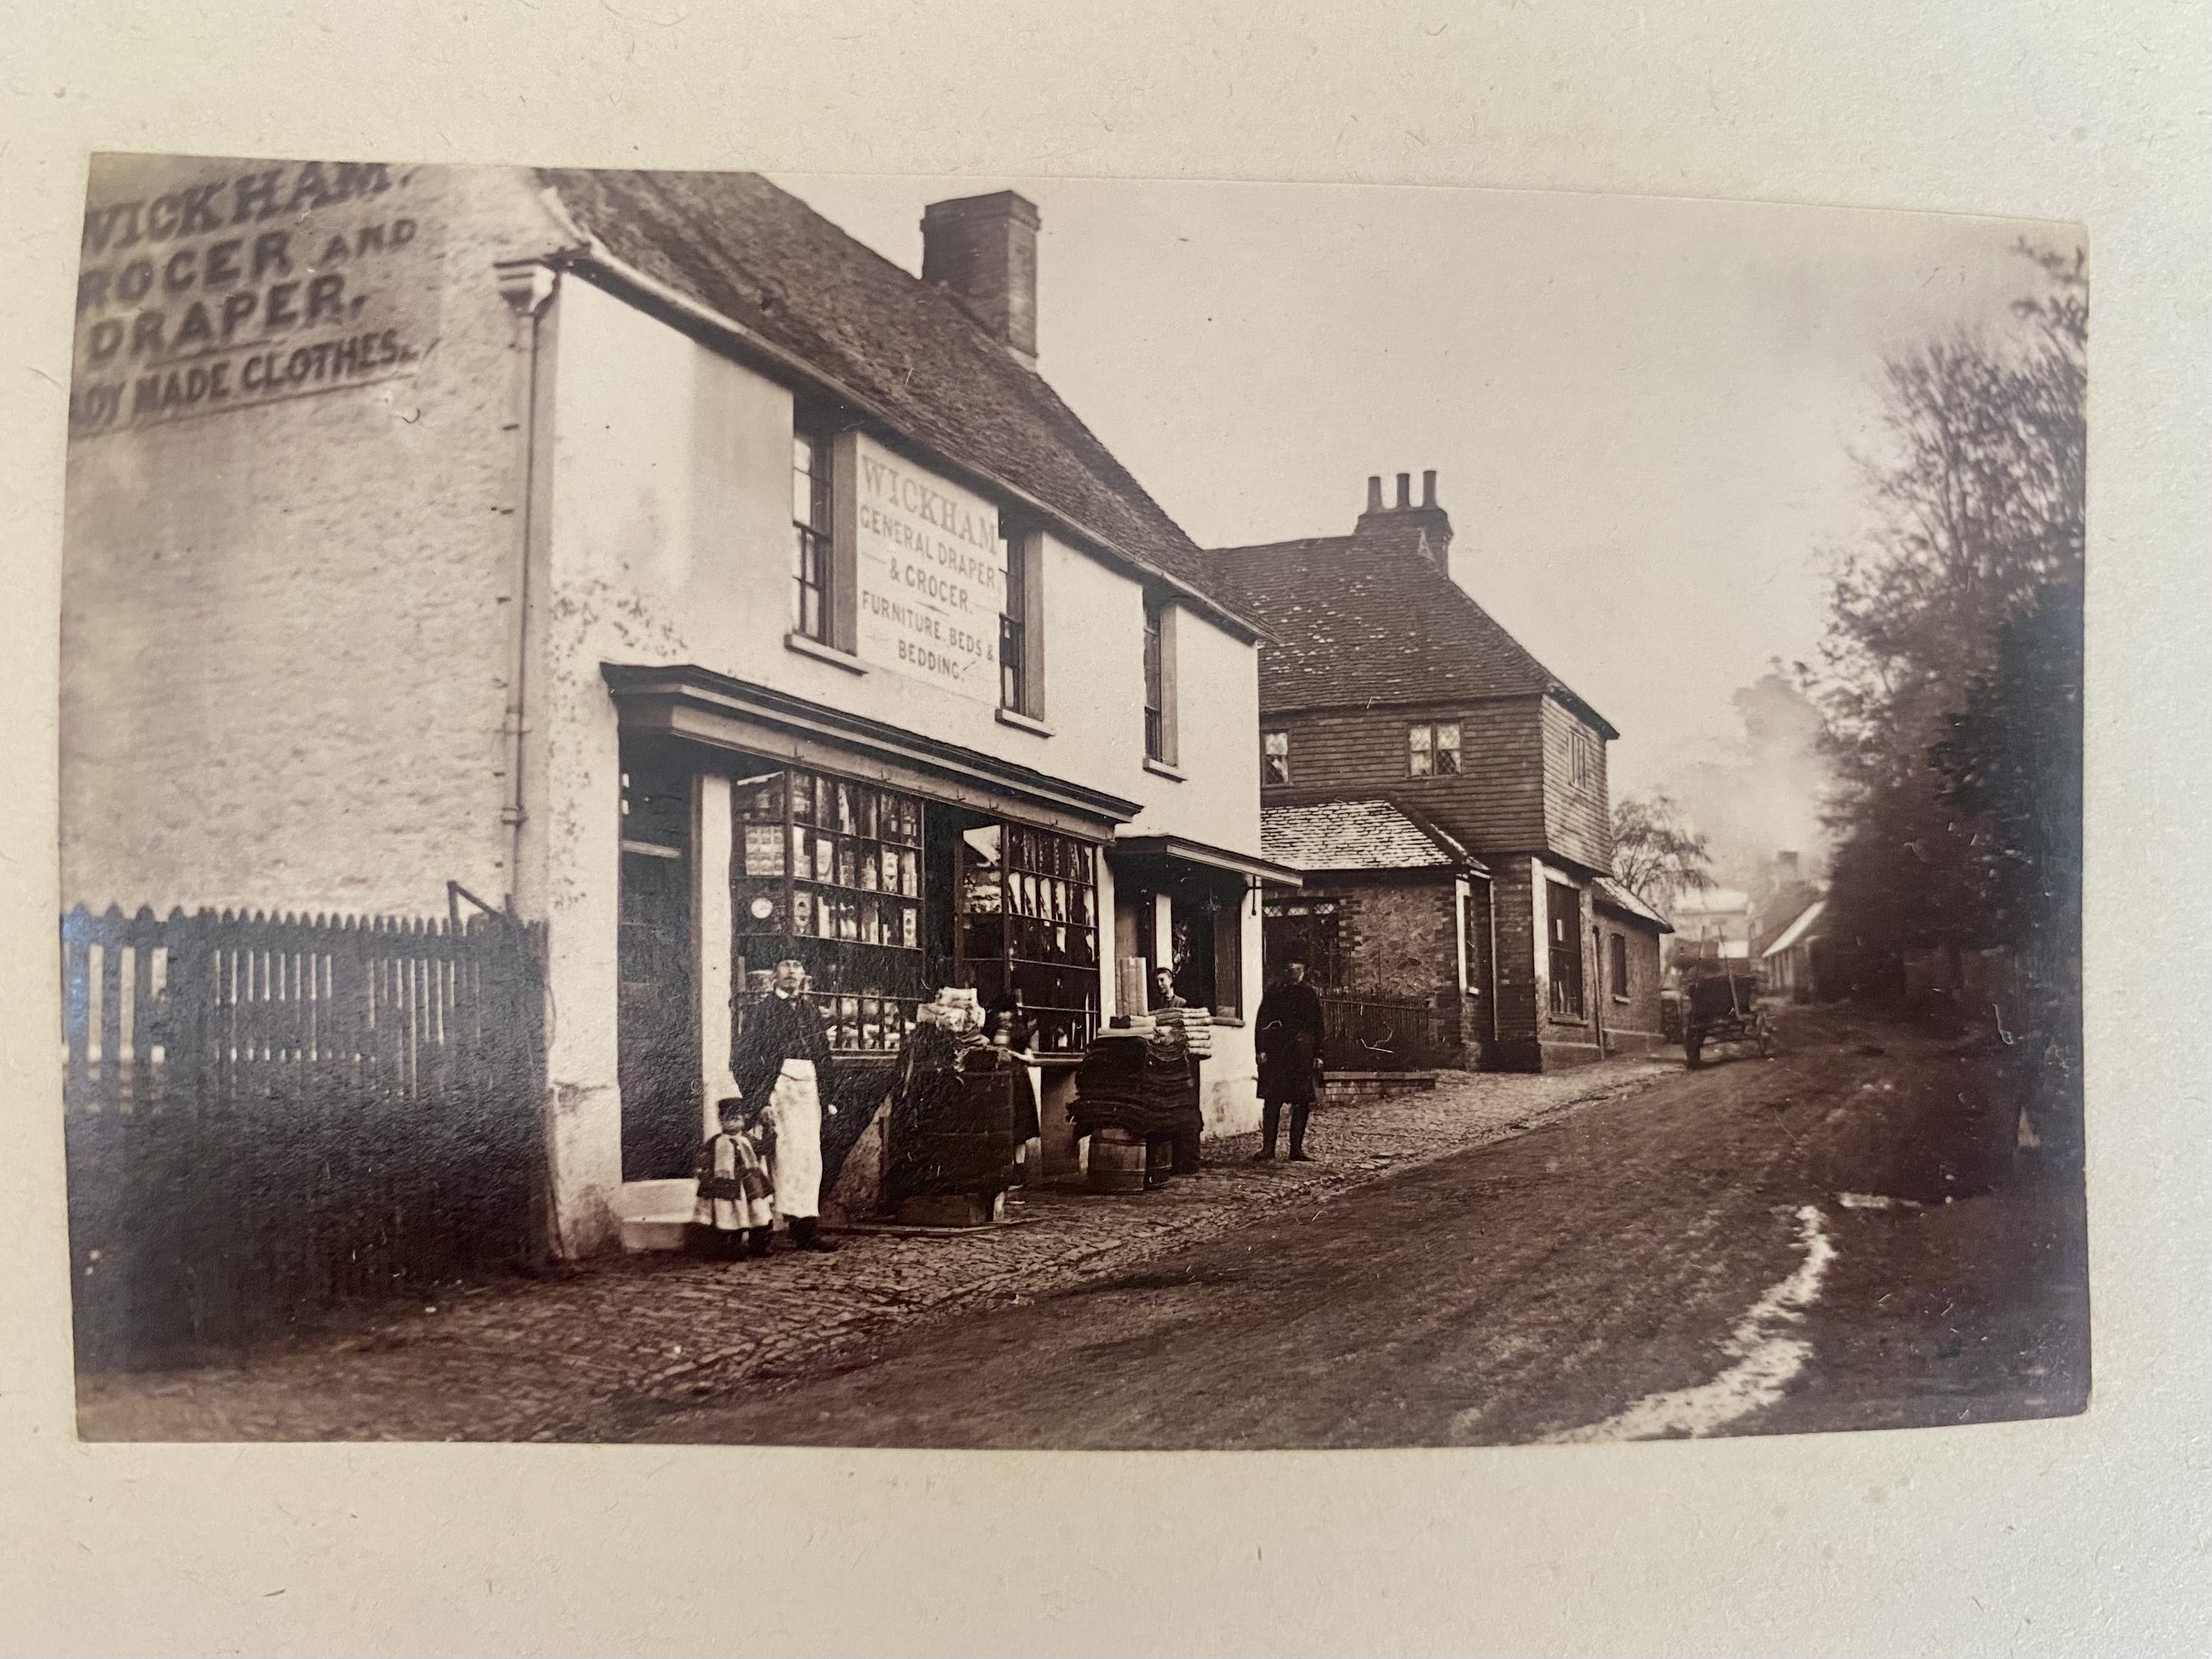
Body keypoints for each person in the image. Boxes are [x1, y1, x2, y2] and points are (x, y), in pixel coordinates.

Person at [731, 958, 840, 1253]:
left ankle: (805, 1231)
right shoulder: (761, 1012)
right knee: (771, 1161)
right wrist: (759, 1102)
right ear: (774, 974)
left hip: (808, 1093)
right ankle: (762, 1235)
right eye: (785, 966)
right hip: (776, 1093)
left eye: (797, 966)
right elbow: (743, 1060)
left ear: (804, 974)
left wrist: (827, 1098)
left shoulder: (811, 1011)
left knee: (807, 1161)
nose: (791, 971)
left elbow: (823, 1057)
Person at [1253, 953, 1326, 1161]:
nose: (1292, 967)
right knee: (1272, 1101)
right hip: (1276, 1053)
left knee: (1301, 1103)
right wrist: (1261, 1049)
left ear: (1304, 968)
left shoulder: (1309, 993)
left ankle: (1296, 1149)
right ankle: (1268, 1149)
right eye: (1289, 963)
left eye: (1297, 963)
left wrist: (1318, 1053)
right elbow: (1262, 1021)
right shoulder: (1274, 991)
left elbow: (1318, 1026)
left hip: (1302, 1054)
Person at [692, 1095, 776, 1260]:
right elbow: (705, 1157)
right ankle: (730, 1247)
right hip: (725, 1186)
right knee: (728, 1215)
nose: (732, 1124)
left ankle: (760, 1244)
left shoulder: (748, 1140)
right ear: (721, 1121)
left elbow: (762, 1149)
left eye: (736, 1119)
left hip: (751, 1185)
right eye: (727, 1120)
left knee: (758, 1213)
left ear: (743, 1120)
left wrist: (770, 1135)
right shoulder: (716, 1142)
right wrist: (702, 1171)